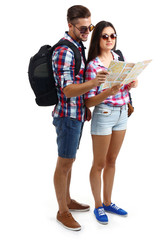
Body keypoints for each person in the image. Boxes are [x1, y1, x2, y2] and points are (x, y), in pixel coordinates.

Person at [52, 6, 107, 231]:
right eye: (83, 28)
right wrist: (94, 83)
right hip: (67, 116)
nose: (87, 32)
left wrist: (84, 107)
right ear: (70, 26)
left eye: (89, 27)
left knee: (69, 160)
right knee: (64, 163)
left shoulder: (77, 46)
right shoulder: (65, 50)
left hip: (75, 114)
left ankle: (67, 200)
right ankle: (62, 211)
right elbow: (67, 90)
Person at [84, 21, 138, 224]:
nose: (109, 40)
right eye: (105, 36)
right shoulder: (93, 66)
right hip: (104, 114)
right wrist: (109, 91)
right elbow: (88, 102)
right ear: (97, 38)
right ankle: (98, 205)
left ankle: (108, 201)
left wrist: (131, 83)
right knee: (99, 163)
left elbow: (123, 86)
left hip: (122, 113)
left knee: (112, 160)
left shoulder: (118, 58)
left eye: (113, 36)